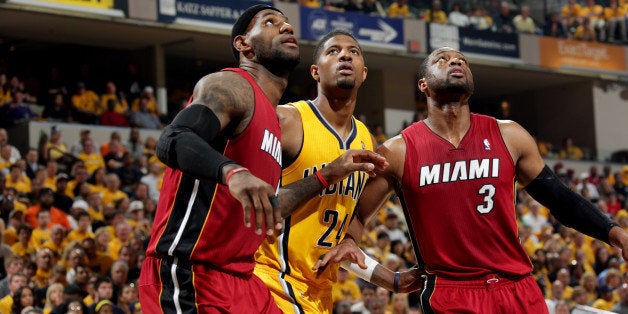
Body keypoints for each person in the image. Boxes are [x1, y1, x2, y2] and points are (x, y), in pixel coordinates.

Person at [315, 47, 628, 313]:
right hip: (452, 293)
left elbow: (559, 198)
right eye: (443, 59)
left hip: (517, 287)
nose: (456, 62)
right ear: (423, 85)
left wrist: (615, 234)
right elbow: (355, 219)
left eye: (461, 60)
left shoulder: (509, 134)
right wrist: (381, 272)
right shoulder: (398, 150)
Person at [139, 5, 384, 313]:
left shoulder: (270, 117)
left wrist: (326, 175)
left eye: (288, 25)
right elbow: (172, 139)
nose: (286, 28)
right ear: (244, 44)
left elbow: (271, 207)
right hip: (191, 272)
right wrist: (232, 172)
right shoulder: (232, 86)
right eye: (270, 22)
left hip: (242, 279)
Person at [254, 30, 419, 313]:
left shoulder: (366, 139)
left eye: (353, 52)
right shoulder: (287, 120)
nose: (344, 55)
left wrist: (392, 280)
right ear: (315, 72)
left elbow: (344, 235)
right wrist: (328, 174)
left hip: (319, 292)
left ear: (364, 73)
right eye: (333, 51)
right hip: (270, 282)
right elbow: (254, 208)